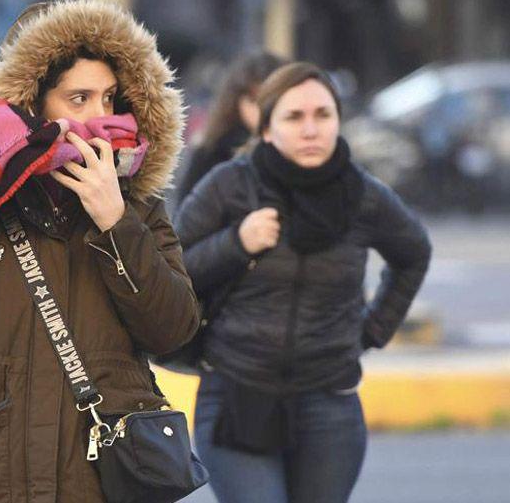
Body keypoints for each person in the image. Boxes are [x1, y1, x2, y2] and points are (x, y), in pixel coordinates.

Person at [0, 0, 200, 503]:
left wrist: (114, 222)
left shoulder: (137, 206)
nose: (100, 118)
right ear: (32, 104)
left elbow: (173, 330)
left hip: (97, 478)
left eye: (110, 99)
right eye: (78, 99)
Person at [175, 62, 432, 503]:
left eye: (323, 115)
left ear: (338, 120)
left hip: (328, 400)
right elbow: (171, 271)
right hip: (237, 392)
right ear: (268, 128)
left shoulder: (363, 195)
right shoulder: (230, 185)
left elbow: (413, 253)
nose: (311, 129)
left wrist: (371, 331)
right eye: (294, 117)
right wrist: (236, 243)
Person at [173, 50, 286, 208]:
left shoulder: (299, 148)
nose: (262, 110)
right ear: (236, 102)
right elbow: (185, 221)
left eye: (270, 100)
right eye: (254, 100)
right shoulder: (212, 152)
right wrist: (237, 232)